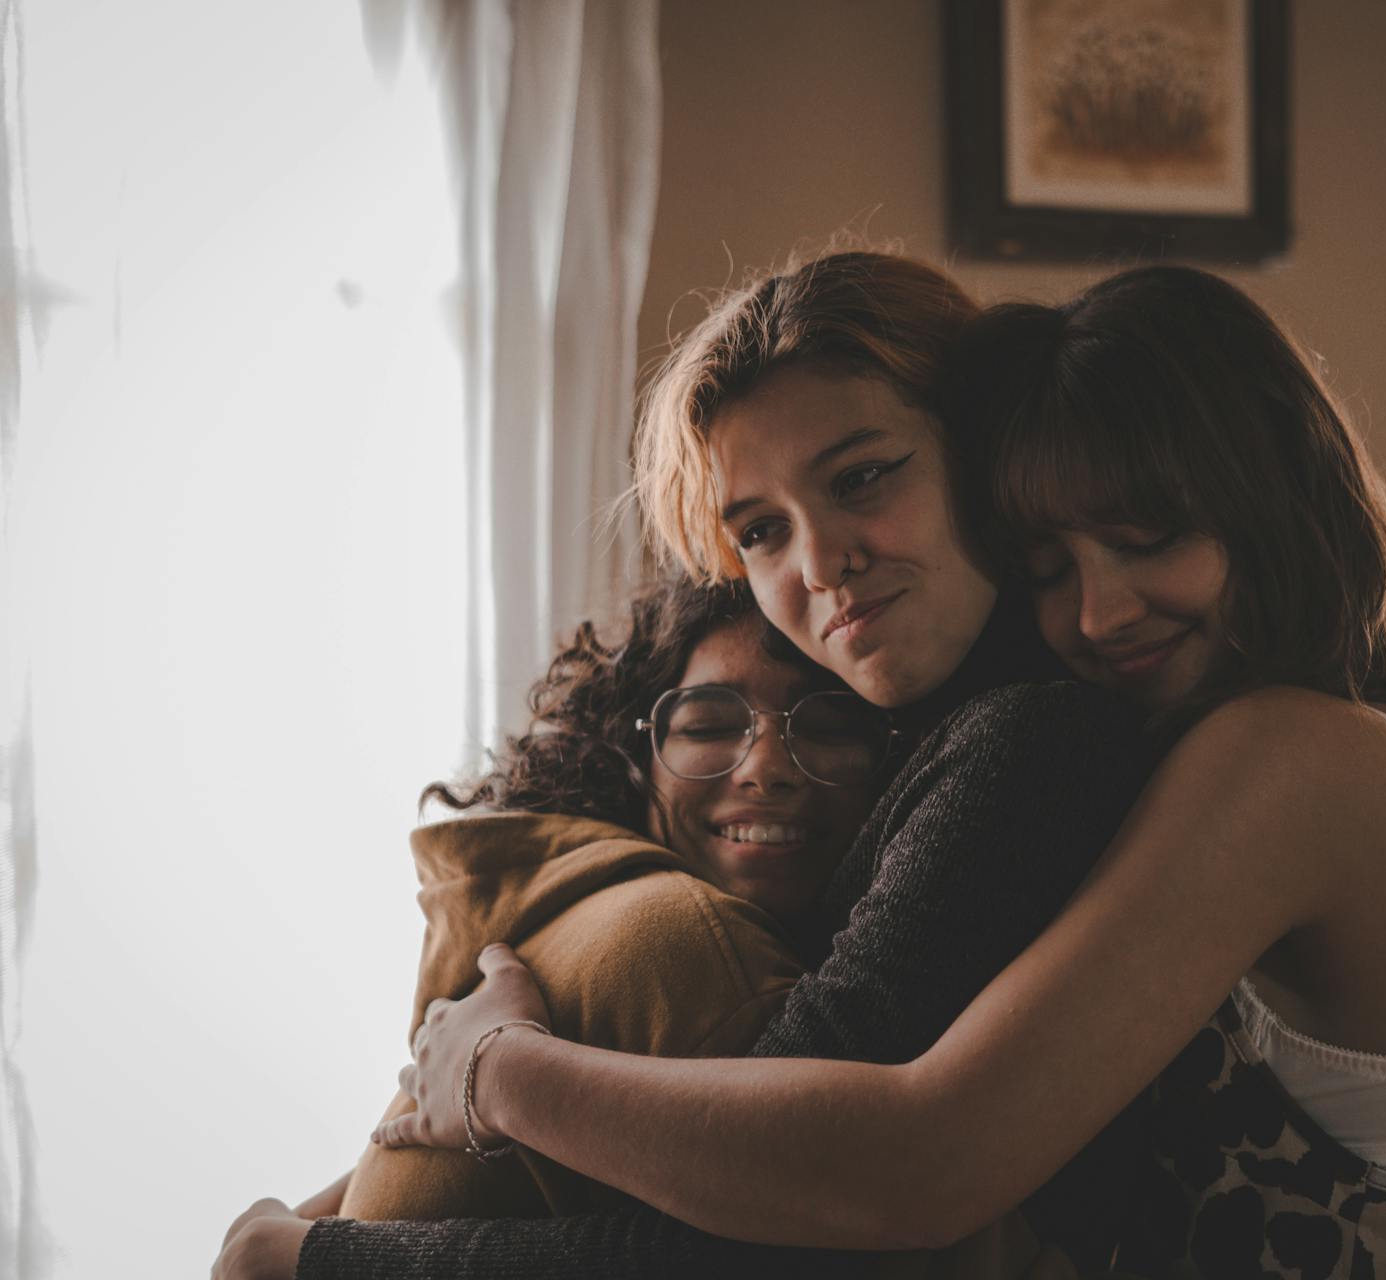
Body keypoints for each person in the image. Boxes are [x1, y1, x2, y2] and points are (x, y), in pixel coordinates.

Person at [357, 263, 1386, 1279]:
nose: (1099, 608)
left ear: (1270, 503)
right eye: (1047, 561)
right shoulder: (1344, 733)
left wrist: (497, 1075)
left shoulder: (1286, 755)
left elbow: (902, 1167)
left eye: (1147, 540)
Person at [213, 252, 1162, 1280]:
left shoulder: (1028, 742)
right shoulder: (914, 749)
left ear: (979, 449)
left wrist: (323, 1252)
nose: (818, 561)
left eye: (862, 476)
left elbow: (771, 1227)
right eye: (761, 530)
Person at [290, 576, 882, 1225]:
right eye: (709, 723)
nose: (765, 766)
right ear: (635, 755)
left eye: (827, 725)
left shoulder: (563, 907)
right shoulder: (694, 942)